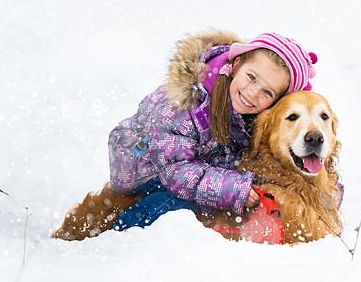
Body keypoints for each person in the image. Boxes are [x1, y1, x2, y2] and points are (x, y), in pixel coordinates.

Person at [52, 30, 318, 240]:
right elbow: (177, 171)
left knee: (215, 200)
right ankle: (122, 238)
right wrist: (234, 188)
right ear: (236, 64)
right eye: (251, 77)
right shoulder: (185, 101)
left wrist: (318, 189)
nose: (253, 93)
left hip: (201, 170)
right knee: (172, 201)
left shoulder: (251, 115)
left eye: (267, 92)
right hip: (148, 169)